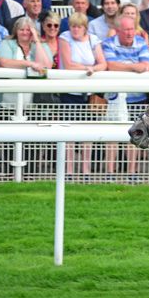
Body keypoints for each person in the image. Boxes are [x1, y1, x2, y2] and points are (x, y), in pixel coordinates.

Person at [102, 15, 149, 180]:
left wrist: (125, 66)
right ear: (117, 31)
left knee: (136, 134)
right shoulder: (108, 43)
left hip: (137, 99)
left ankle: (132, 172)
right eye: (126, 30)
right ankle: (110, 172)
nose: (130, 33)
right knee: (112, 136)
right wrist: (133, 66)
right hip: (115, 98)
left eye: (132, 29)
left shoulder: (141, 42)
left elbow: (146, 65)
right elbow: (111, 65)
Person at [58, 12, 107, 178]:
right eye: (73, 26)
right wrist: (88, 68)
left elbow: (102, 63)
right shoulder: (64, 37)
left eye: (78, 26)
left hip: (89, 92)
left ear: (85, 27)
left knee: (88, 132)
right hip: (70, 92)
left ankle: (86, 170)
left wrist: (92, 69)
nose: (75, 29)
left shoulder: (93, 39)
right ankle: (70, 170)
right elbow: (68, 64)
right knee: (69, 132)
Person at [0, 17, 53, 106]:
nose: (25, 32)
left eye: (28, 30)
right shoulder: (7, 43)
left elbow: (46, 66)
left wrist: (37, 41)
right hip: (9, 100)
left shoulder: (42, 45)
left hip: (35, 101)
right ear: (16, 31)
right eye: (21, 29)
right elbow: (4, 62)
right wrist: (29, 64)